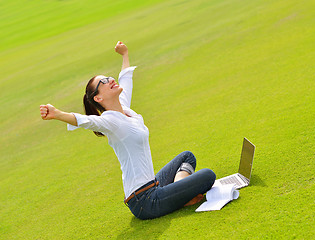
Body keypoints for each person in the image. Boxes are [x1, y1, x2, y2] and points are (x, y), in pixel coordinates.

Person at [39, 41, 216, 220]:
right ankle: (181, 195)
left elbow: (125, 79)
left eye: (109, 77)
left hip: (153, 187)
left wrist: (125, 55)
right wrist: (57, 114)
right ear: (98, 97)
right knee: (208, 175)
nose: (111, 80)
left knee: (187, 157)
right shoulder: (109, 121)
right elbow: (86, 121)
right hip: (144, 201)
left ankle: (180, 195)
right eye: (104, 81)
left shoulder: (125, 110)